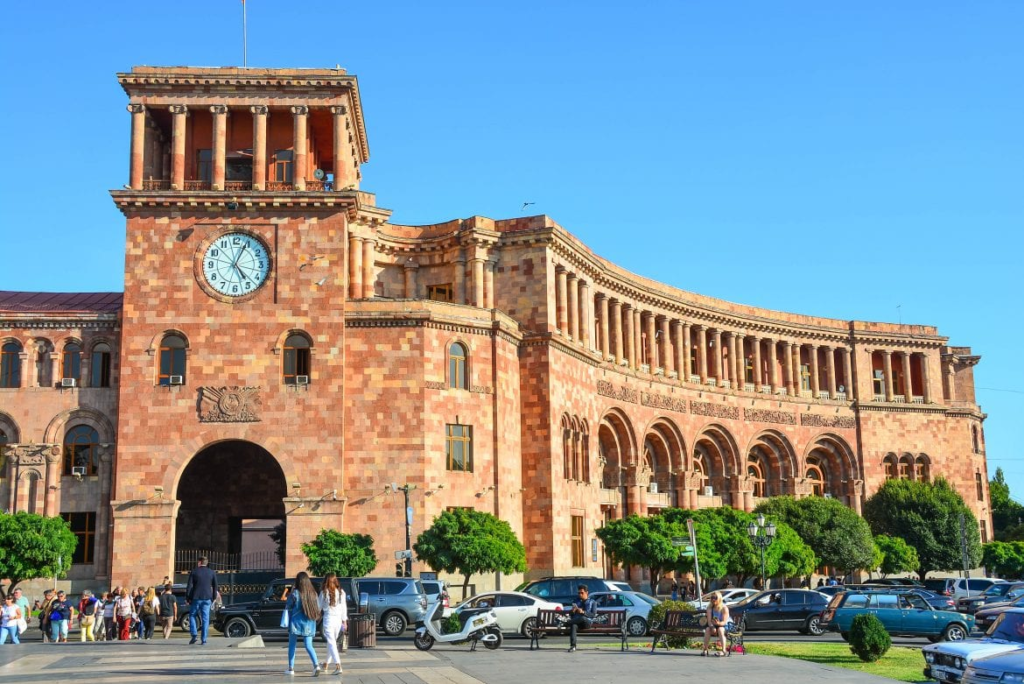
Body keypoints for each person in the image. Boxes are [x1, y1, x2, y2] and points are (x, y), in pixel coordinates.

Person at [285, 572, 322, 676]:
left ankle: (291, 668)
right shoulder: (313, 594)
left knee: (292, 645)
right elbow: (318, 608)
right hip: (309, 623)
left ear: (298, 581)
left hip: (295, 622)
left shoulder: (295, 593)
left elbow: (288, 606)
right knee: (309, 645)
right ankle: (316, 665)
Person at [318, 573, 348, 675]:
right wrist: (344, 621)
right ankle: (326, 664)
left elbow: (318, 607)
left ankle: (338, 666)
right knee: (332, 643)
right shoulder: (341, 592)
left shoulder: (324, 592)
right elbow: (344, 608)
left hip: (328, 619)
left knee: (331, 643)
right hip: (338, 620)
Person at [185, 556, 218, 645]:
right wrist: (214, 597)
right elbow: (215, 586)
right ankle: (204, 639)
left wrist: (187, 598)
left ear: (199, 562)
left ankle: (194, 634)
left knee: (192, 615)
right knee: (205, 619)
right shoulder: (211, 572)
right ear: (206, 563)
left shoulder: (194, 572)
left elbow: (189, 586)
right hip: (207, 598)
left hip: (196, 597)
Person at [566, 584, 596, 653]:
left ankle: (566, 623)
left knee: (582, 618)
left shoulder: (592, 602)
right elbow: (571, 614)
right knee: (573, 625)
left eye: (582, 593)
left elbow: (593, 614)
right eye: (579, 593)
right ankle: (573, 646)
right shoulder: (576, 601)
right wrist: (572, 611)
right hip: (577, 622)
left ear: (586, 592)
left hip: (587, 622)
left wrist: (583, 612)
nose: (580, 594)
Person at [703, 592, 731, 657]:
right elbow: (709, 621)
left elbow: (724, 622)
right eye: (712, 597)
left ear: (719, 598)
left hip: (726, 625)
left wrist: (718, 623)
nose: (713, 599)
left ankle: (723, 651)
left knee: (720, 629)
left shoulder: (724, 608)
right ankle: (705, 649)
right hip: (715, 625)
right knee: (707, 629)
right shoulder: (710, 608)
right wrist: (712, 627)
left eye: (715, 598)